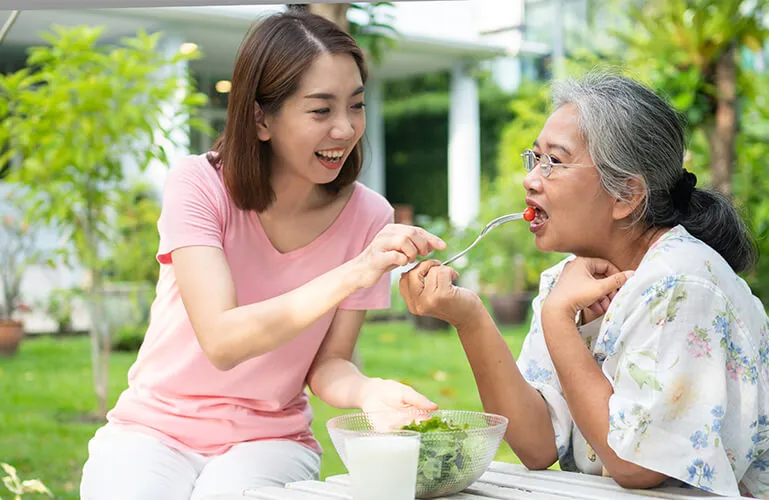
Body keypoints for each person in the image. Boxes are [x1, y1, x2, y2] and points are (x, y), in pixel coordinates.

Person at [80, 11, 445, 500]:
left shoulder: (367, 216)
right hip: (153, 427)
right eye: (320, 111)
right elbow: (222, 339)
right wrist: (355, 271)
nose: (345, 128)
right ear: (261, 118)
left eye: (355, 106)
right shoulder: (199, 185)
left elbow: (327, 366)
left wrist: (367, 392)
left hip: (269, 438)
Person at [400, 71, 769, 498]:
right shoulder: (568, 278)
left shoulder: (683, 282)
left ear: (626, 196)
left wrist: (558, 321)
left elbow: (635, 464)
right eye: (534, 158)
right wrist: (469, 317)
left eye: (554, 161)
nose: (531, 179)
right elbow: (537, 444)